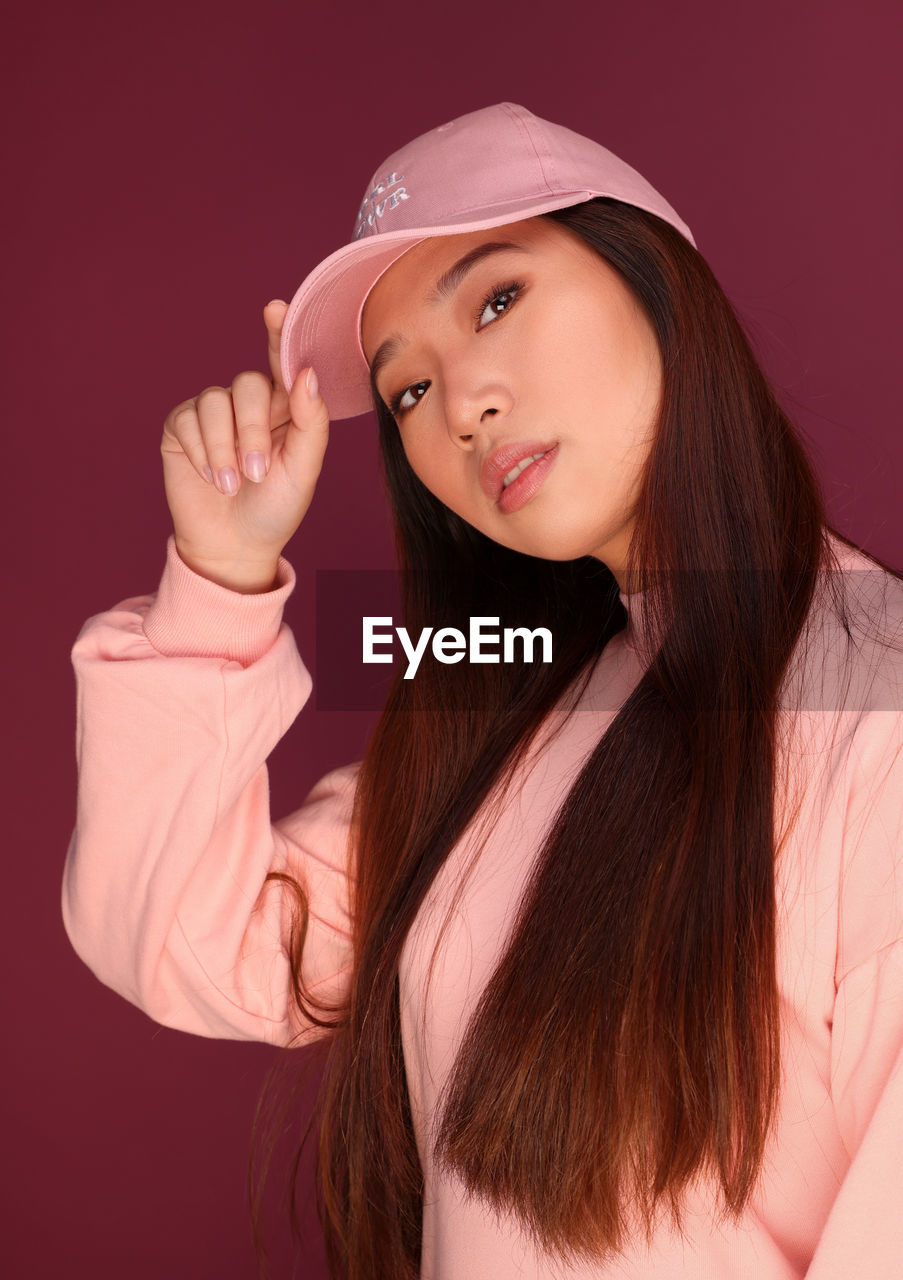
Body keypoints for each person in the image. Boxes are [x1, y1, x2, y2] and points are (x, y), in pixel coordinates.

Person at [62, 103, 903, 1279]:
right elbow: (184, 937)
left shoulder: (877, 713)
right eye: (407, 392)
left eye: (497, 300)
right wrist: (219, 578)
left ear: (651, 273)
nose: (460, 407)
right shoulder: (507, 704)